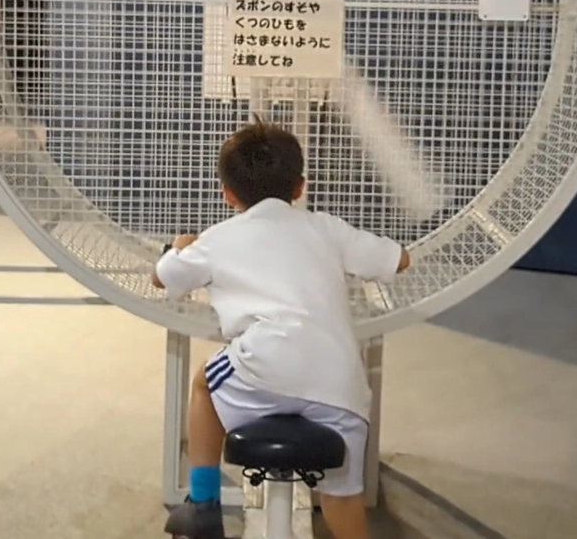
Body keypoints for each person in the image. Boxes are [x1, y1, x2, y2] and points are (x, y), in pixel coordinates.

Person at [154, 120, 411, 539]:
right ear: (300, 188)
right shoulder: (327, 227)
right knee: (343, 502)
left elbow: (163, 278)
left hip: (262, 369)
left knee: (204, 383)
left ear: (228, 193)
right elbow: (399, 261)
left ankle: (203, 504)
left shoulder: (217, 239)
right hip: (340, 387)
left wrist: (180, 247)